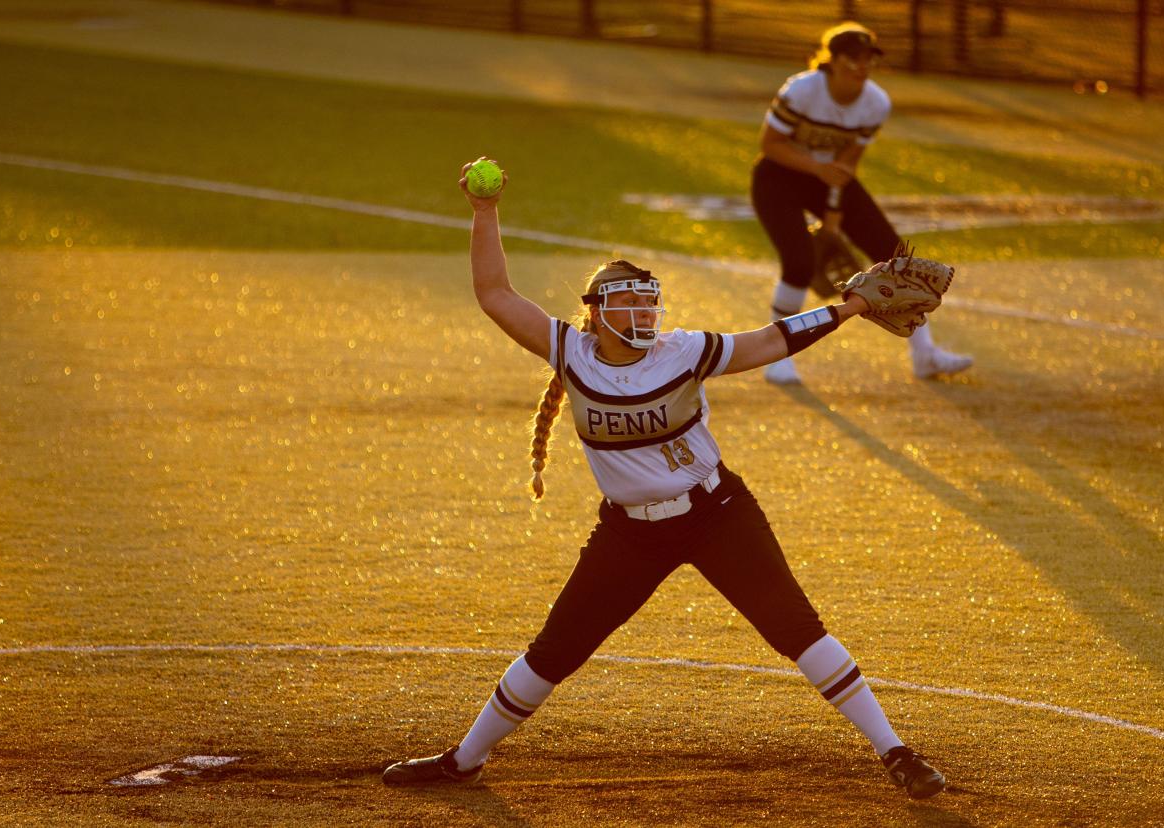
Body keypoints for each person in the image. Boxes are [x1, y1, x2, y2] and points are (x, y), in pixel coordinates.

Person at [380, 159, 948, 801]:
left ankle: (896, 752)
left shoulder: (681, 350)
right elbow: (495, 295)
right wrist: (485, 213)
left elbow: (768, 341)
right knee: (556, 649)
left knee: (797, 628)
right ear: (593, 312)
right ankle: (464, 760)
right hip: (630, 532)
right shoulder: (568, 349)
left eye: (648, 301)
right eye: (626, 300)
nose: (643, 312)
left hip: (717, 514)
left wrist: (846, 308)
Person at [750, 21, 973, 384]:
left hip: (829, 180)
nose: (862, 67)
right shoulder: (803, 90)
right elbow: (770, 145)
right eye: (853, 59)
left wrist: (834, 216)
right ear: (833, 60)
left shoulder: (876, 102)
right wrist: (817, 169)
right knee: (799, 262)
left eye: (868, 59)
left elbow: (848, 162)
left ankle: (925, 354)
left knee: (897, 257)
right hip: (778, 177)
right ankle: (777, 357)